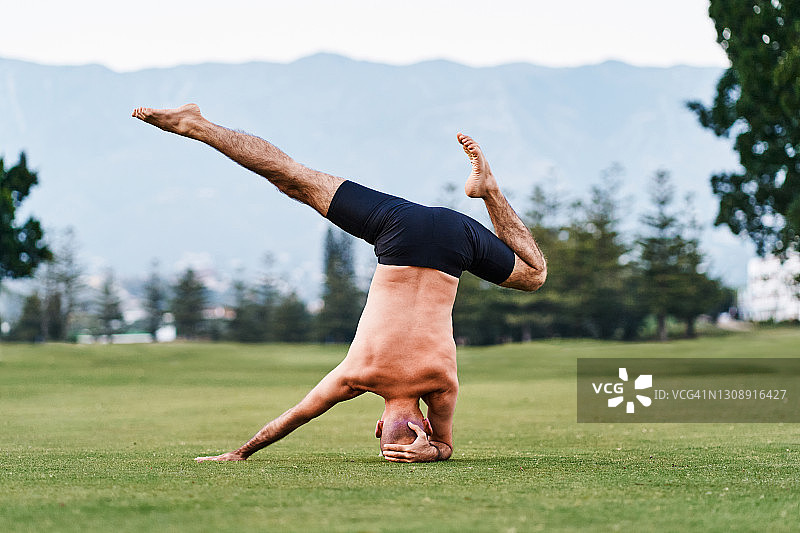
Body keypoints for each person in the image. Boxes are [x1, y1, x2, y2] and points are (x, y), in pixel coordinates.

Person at [132, 104, 547, 463]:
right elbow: (291, 418)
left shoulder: (439, 386)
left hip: (452, 236)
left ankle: (489, 190)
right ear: (379, 422)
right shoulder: (353, 378)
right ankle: (195, 124)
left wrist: (433, 448)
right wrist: (241, 451)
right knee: (292, 179)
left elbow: (446, 446)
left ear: (412, 421)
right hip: (398, 229)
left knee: (534, 275)